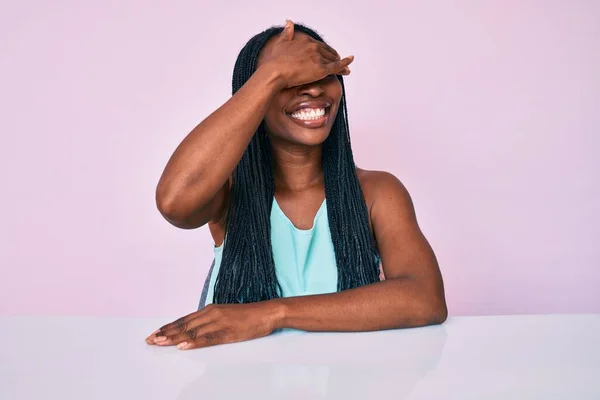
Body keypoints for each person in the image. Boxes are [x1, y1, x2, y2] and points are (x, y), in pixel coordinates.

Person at [145, 20, 447, 350]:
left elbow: (425, 298)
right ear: (255, 94)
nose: (314, 89)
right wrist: (273, 74)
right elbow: (174, 202)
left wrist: (273, 314)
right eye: (291, 78)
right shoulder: (228, 190)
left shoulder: (378, 192)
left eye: (322, 74)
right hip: (236, 381)